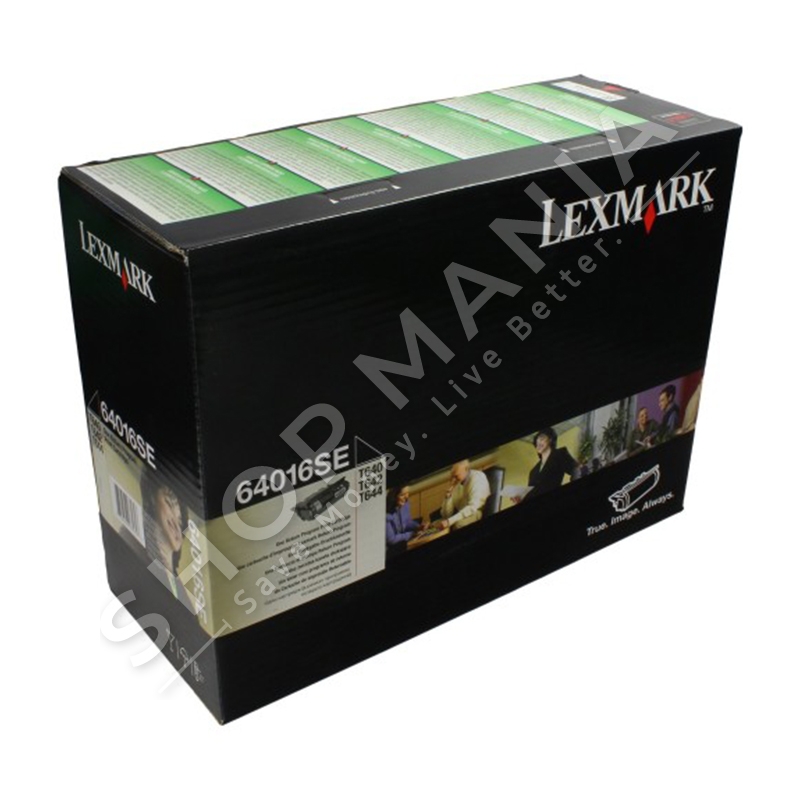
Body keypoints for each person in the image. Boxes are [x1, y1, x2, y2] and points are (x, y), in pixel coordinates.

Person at [141, 471, 193, 610]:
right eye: (170, 504)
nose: (175, 524)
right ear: (152, 499)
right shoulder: (139, 552)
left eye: (180, 521)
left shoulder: (180, 589)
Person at [433, 460, 491, 531]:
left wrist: (450, 521)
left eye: (456, 476)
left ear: (466, 469)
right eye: (452, 476)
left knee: (458, 525)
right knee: (435, 524)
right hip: (462, 513)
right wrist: (448, 496)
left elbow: (472, 507)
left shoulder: (477, 478)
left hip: (476, 512)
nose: (453, 479)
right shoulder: (457, 482)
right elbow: (447, 515)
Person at [526, 427, 577, 498]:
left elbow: (577, 470)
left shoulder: (560, 454)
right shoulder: (533, 471)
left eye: (541, 438)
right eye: (536, 441)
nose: (538, 443)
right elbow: (530, 492)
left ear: (550, 439)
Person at [385, 486, 420, 557]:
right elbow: (391, 540)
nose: (406, 497)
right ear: (393, 496)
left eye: (407, 493)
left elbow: (406, 523)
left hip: (401, 546)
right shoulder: (386, 512)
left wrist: (418, 526)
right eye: (402, 494)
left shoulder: (405, 504)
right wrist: (411, 534)